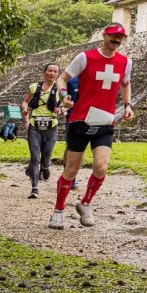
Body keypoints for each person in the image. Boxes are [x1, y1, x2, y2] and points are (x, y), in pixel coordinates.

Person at [48, 23, 134, 230]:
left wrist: (127, 105)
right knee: (71, 169)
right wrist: (63, 96)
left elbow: (125, 83)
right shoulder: (85, 57)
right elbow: (63, 78)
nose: (116, 40)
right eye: (113, 36)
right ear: (104, 36)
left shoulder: (126, 62)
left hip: (105, 121)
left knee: (101, 167)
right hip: (80, 120)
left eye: (120, 37)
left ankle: (85, 202)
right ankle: (58, 210)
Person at [22, 63, 67, 199]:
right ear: (44, 72)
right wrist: (25, 112)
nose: (52, 73)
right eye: (50, 70)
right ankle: (34, 188)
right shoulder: (34, 87)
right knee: (35, 157)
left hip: (51, 126)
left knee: (46, 156)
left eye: (55, 71)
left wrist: (62, 111)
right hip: (35, 125)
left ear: (57, 74)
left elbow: (66, 106)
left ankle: (46, 167)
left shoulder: (61, 89)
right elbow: (25, 102)